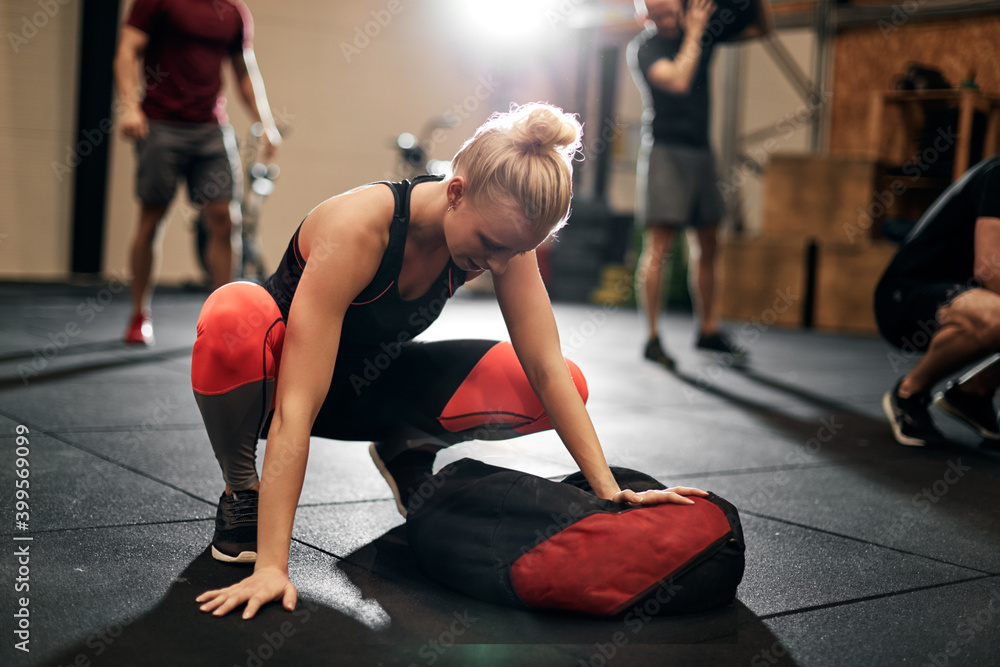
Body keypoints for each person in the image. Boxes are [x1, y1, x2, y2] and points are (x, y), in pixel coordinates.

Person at [189, 104, 709, 620]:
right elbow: (297, 407)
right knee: (234, 312)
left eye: (516, 251)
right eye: (492, 246)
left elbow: (546, 367)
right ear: (455, 192)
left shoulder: (502, 234)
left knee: (565, 380)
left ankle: (406, 443)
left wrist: (609, 489)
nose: (500, 265)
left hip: (367, 388)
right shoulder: (359, 228)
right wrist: (274, 567)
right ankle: (242, 491)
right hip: (276, 389)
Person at [114, 0, 282, 346]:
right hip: (160, 125)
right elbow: (127, 51)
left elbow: (244, 70)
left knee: (226, 220)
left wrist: (265, 122)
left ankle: (223, 321)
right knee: (151, 219)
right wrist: (130, 107)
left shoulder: (233, 12)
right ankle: (138, 315)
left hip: (210, 129)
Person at [628, 0, 765, 370]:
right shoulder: (645, 48)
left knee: (709, 242)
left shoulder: (702, 29)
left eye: (670, 7)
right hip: (665, 152)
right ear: (647, 17)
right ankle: (653, 338)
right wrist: (696, 33)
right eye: (658, 13)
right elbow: (678, 79)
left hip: (701, 151)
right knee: (660, 247)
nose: (667, 16)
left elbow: (758, 28)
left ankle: (708, 328)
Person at [877, 154, 1000, 447]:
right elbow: (989, 269)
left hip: (968, 298)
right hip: (905, 297)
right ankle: (909, 392)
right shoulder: (998, 175)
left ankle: (974, 393)